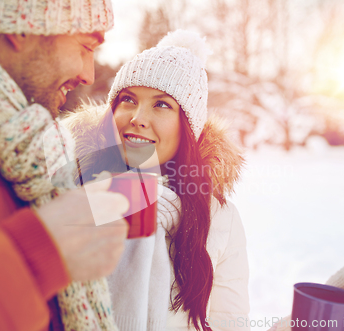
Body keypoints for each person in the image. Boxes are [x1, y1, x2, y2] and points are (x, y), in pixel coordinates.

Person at [0, 1, 130, 330]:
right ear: (22, 27)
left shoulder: (27, 151)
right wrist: (35, 256)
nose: (89, 75)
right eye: (86, 46)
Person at [64, 30, 250, 331]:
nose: (137, 117)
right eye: (127, 100)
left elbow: (229, 325)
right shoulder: (68, 188)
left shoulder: (219, 220)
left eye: (161, 104)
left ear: (188, 127)